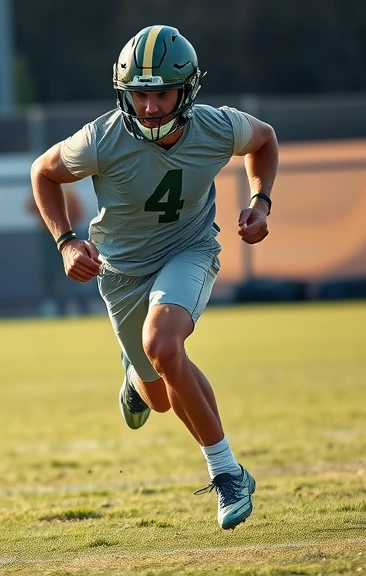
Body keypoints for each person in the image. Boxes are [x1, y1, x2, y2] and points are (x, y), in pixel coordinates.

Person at [29, 25, 278, 530]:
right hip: (121, 272)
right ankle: (132, 376)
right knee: (160, 396)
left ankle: (227, 473)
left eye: (160, 93)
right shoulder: (101, 138)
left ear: (186, 90)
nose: (148, 107)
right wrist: (66, 242)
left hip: (189, 249)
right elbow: (43, 173)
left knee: (164, 346)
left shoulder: (216, 127)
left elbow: (265, 141)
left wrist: (260, 203)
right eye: (139, 94)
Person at [25, 184, 85, 316]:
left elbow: (78, 211)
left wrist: (65, 227)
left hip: (68, 235)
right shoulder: (42, 188)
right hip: (50, 236)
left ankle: (79, 302)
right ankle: (58, 304)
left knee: (76, 268)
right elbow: (30, 207)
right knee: (52, 272)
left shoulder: (68, 190)